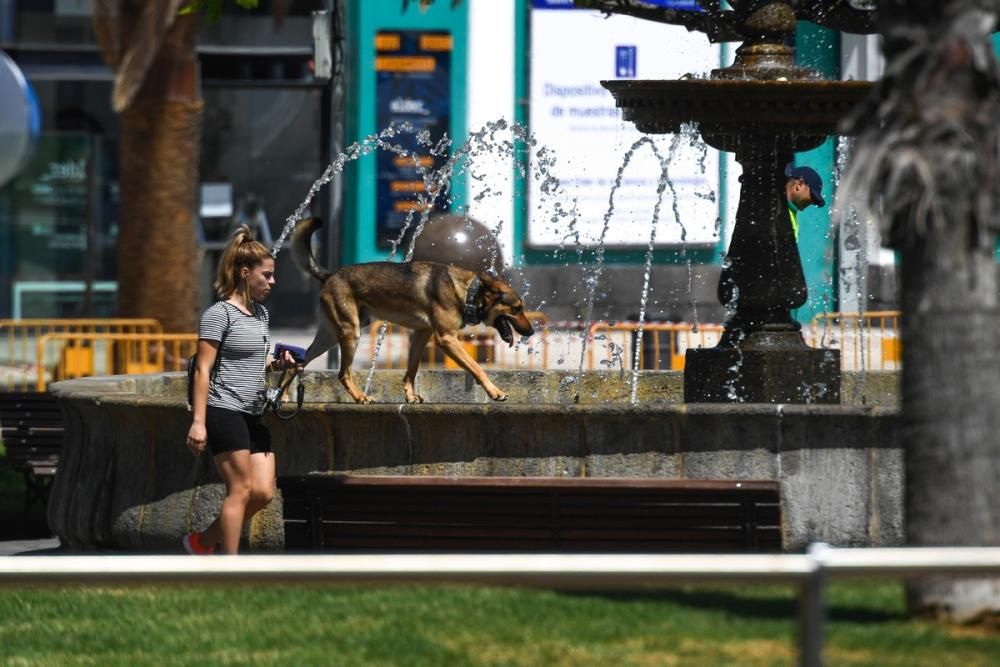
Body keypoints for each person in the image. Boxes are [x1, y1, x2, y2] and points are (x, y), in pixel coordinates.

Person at [184, 224, 297, 555]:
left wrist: (280, 365)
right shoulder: (219, 315)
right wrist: (199, 422)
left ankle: (202, 543)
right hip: (223, 410)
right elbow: (203, 370)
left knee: (262, 492)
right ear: (245, 273)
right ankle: (230, 571)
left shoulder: (259, 314)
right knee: (241, 489)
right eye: (268, 275)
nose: (272, 282)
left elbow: (255, 363)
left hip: (252, 411)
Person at [784, 163, 826, 240]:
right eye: (812, 196)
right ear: (800, 184)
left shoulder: (794, 222)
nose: (812, 203)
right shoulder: (771, 198)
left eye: (814, 201)